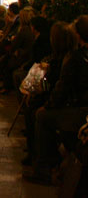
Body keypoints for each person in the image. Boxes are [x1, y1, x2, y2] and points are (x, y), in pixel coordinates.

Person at [24, 16, 88, 184]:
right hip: (79, 105)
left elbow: (63, 87)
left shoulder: (75, 57)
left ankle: (43, 168)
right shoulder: (79, 54)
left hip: (80, 110)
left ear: (79, 35)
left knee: (42, 116)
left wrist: (48, 106)